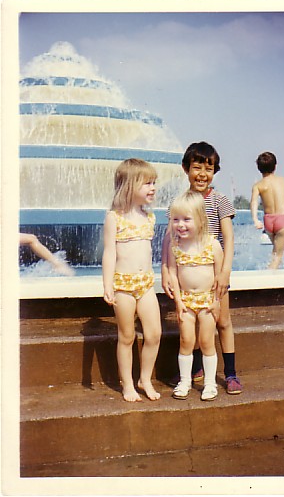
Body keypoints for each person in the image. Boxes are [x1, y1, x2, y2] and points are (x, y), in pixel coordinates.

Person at [161, 142, 243, 394]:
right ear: (186, 169)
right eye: (197, 168)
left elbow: (227, 237)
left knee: (223, 321)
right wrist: (165, 269)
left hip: (214, 271)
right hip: (188, 272)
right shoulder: (180, 202)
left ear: (214, 172)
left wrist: (225, 271)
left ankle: (230, 373)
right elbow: (169, 237)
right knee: (191, 324)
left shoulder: (220, 201)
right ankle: (196, 368)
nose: (202, 174)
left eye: (208, 169)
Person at [101, 158, 162, 402]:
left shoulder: (150, 217)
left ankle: (144, 378)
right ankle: (127, 384)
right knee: (126, 337)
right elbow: (109, 252)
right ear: (128, 186)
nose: (153, 188)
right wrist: (107, 284)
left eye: (154, 182)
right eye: (147, 183)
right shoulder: (114, 218)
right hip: (123, 286)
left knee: (154, 334)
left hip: (145, 284)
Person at [167, 191, 224, 401]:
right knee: (186, 340)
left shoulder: (212, 244)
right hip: (186, 301)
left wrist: (217, 302)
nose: (180, 225)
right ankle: (185, 381)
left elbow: (219, 276)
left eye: (186, 219)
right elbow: (173, 273)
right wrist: (178, 301)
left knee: (206, 340)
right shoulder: (176, 247)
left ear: (200, 220)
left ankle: (209, 384)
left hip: (208, 300)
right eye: (175, 220)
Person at [250, 151, 284, 269]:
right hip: (282, 219)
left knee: (276, 253)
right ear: (275, 165)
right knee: (278, 255)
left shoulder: (258, 185)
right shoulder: (281, 180)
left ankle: (277, 275)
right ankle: (266, 280)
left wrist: (255, 219)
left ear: (259, 168)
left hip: (268, 221)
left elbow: (254, 202)